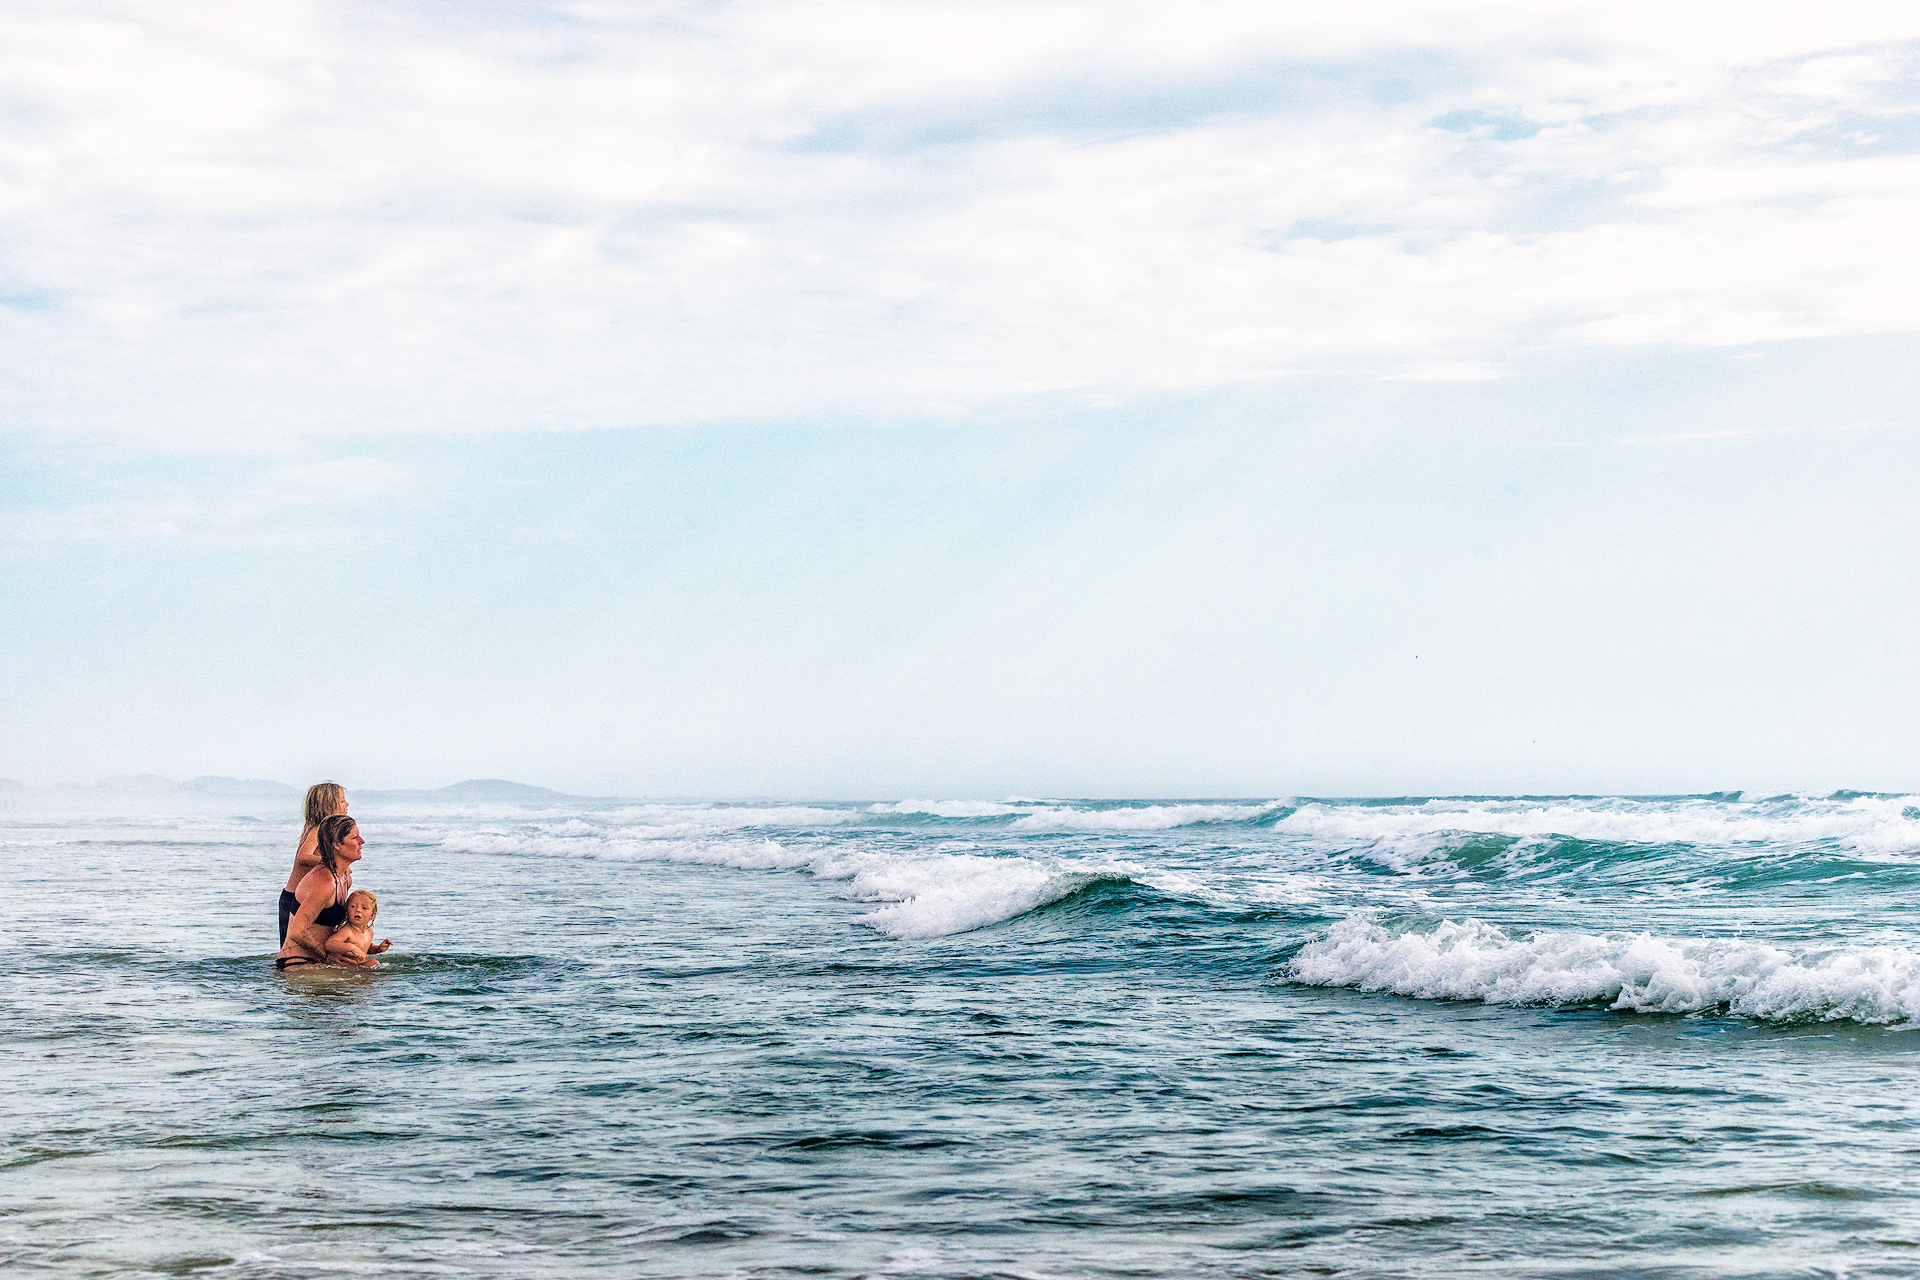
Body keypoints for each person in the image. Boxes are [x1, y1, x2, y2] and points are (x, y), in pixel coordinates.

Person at [276, 814, 363, 971]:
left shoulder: (344, 878)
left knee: (373, 969)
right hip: (298, 963)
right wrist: (327, 958)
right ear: (337, 844)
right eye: (355, 837)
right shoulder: (324, 881)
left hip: (318, 961)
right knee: (368, 981)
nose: (362, 841)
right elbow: (297, 932)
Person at [281, 783, 348, 945]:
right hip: (292, 899)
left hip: (310, 898)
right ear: (328, 806)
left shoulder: (329, 832)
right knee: (289, 946)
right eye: (342, 801)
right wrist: (333, 863)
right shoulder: (317, 829)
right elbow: (303, 856)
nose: (347, 804)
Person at [323, 890, 392, 968]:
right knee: (374, 963)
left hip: (356, 967)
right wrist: (351, 947)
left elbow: (365, 948)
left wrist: (378, 949)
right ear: (347, 912)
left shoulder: (369, 932)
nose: (358, 910)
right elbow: (329, 944)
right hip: (343, 967)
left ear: (372, 915)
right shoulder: (347, 931)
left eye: (364, 908)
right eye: (353, 906)